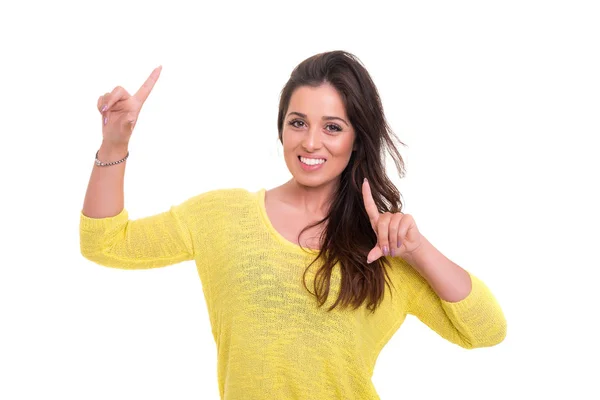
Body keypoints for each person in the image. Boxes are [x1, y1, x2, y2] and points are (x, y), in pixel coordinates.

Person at [80, 50, 507, 400]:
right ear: (281, 129)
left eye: (333, 127)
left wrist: (417, 249)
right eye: (298, 122)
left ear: (357, 138)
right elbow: (105, 243)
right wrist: (114, 143)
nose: (311, 142)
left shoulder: (379, 250)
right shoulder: (221, 216)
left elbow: (487, 331)